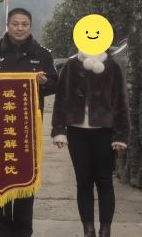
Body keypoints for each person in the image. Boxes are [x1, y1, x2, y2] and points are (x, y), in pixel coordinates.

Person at [0, 8, 59, 237]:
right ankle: (2, 232)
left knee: (25, 179)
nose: (19, 28)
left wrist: (43, 82)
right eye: (15, 24)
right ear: (8, 25)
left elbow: (55, 84)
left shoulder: (42, 54)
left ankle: (23, 232)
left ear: (30, 26)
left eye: (24, 24)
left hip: (27, 129)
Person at [51, 48, 130, 237]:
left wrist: (120, 135)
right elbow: (60, 99)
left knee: (105, 181)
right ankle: (88, 230)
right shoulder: (70, 66)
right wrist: (59, 130)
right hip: (76, 132)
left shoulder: (112, 67)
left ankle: (105, 230)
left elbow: (121, 102)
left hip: (104, 132)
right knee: (83, 182)